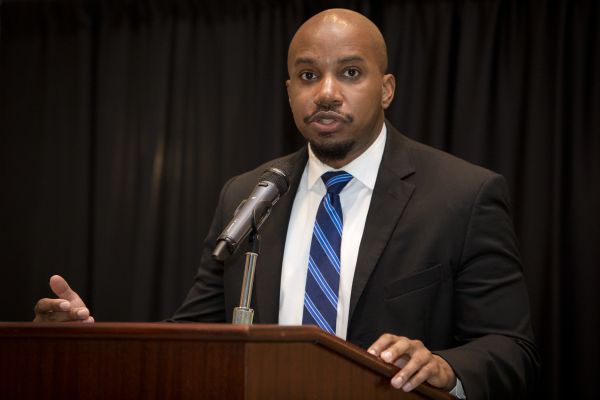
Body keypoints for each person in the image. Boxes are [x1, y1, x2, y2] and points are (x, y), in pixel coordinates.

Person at [34, 8, 540, 399]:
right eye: (306, 76)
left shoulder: (463, 194)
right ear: (288, 91)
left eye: (349, 73)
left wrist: (446, 368)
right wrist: (90, 343)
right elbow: (191, 339)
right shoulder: (250, 194)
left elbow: (511, 350)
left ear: (386, 89)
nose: (325, 93)